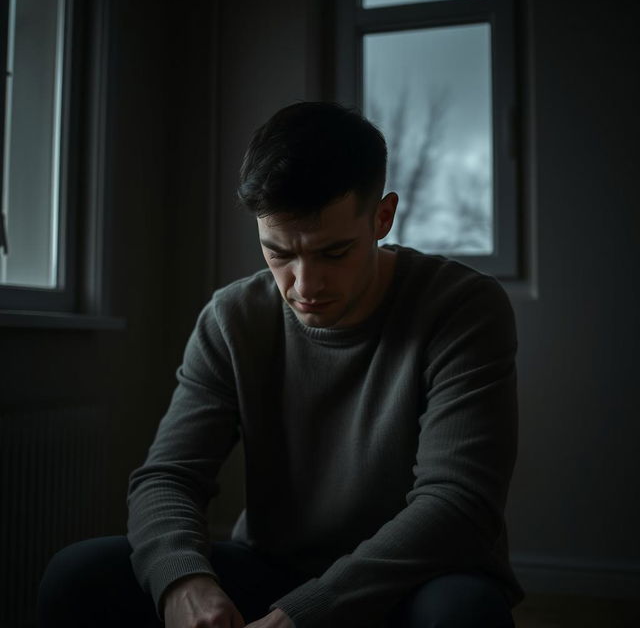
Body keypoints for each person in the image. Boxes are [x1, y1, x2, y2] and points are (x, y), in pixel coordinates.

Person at [38, 102, 523, 627]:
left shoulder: (462, 307)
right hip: (275, 567)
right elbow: (168, 477)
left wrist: (306, 613)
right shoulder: (232, 318)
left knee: (466, 615)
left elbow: (457, 504)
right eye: (279, 254)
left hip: (414, 580)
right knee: (76, 575)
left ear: (382, 217)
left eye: (334, 254)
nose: (304, 286)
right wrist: (183, 581)